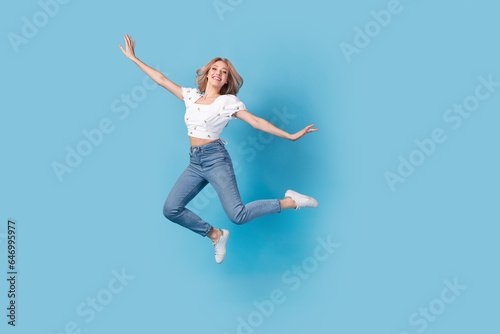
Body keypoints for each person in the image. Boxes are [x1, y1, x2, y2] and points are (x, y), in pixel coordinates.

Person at [119, 34, 319, 263]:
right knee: (171, 209)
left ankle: (292, 201)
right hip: (195, 162)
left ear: (226, 80)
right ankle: (216, 235)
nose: (218, 72)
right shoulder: (191, 97)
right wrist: (134, 58)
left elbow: (256, 122)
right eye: (215, 68)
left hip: (216, 160)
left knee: (238, 215)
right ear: (207, 74)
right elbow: (162, 80)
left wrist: (290, 136)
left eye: (223, 71)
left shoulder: (227, 102)